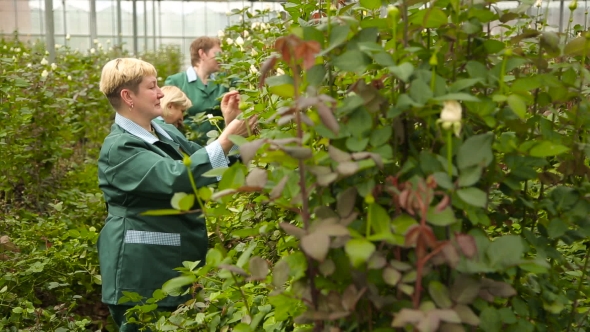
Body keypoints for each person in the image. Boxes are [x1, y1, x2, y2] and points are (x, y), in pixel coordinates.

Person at [97, 57, 256, 332]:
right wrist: (226, 138)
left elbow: (204, 165)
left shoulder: (164, 130)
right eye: (152, 86)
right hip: (142, 270)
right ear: (128, 96)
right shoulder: (120, 149)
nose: (161, 92)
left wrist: (231, 132)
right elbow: (179, 179)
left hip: (173, 260)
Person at [165, 36, 233, 145]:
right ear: (202, 53)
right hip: (188, 147)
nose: (222, 58)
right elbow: (166, 118)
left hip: (222, 145)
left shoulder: (225, 81)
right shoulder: (176, 81)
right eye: (217, 54)